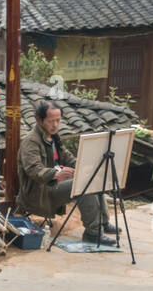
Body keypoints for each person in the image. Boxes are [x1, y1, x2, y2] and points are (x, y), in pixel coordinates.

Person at [17, 100, 120, 245]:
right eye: (51, 121)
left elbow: (69, 158)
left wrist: (86, 166)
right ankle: (93, 233)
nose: (55, 125)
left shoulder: (53, 138)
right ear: (39, 120)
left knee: (93, 177)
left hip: (55, 186)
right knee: (83, 184)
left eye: (58, 120)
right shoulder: (31, 142)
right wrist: (55, 174)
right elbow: (34, 170)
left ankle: (102, 223)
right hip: (40, 192)